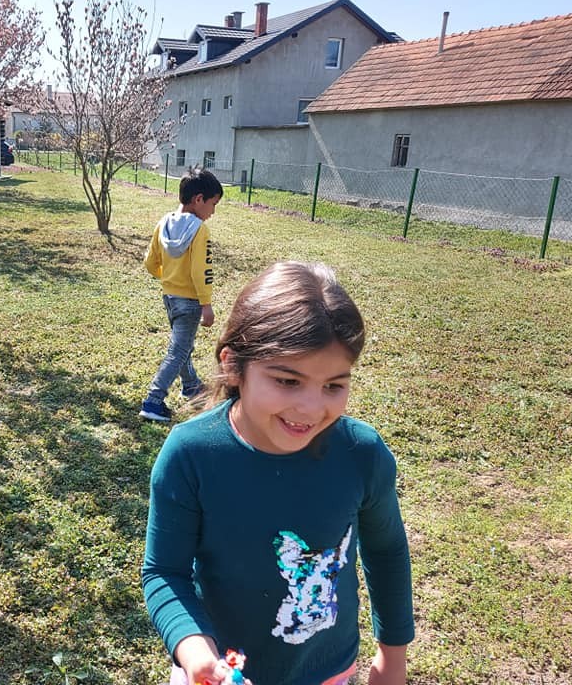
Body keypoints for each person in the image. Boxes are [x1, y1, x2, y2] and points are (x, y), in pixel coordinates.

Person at [142, 261, 415, 685]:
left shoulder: (361, 454)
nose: (310, 408)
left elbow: (387, 552)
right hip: (216, 674)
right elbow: (165, 572)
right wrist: (195, 652)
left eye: (333, 385)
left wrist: (392, 659)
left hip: (327, 672)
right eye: (287, 381)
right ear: (234, 365)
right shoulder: (191, 454)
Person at [139, 166, 223, 422]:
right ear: (199, 199)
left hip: (169, 297)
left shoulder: (163, 223)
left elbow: (150, 263)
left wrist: (169, 278)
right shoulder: (200, 230)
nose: (213, 211)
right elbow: (202, 270)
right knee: (178, 351)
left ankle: (191, 386)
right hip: (190, 302)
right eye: (213, 204)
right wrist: (206, 304)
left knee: (183, 345)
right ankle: (153, 401)